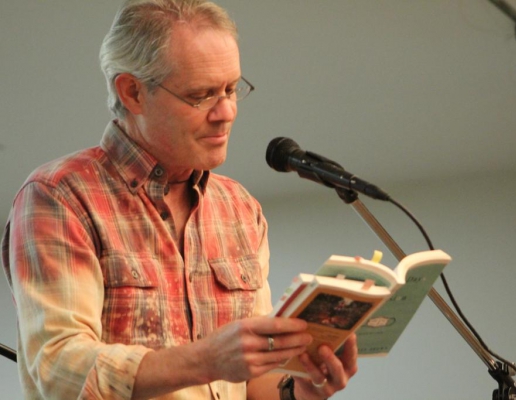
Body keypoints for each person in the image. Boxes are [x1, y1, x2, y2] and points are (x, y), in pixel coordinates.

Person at [1, 1, 358, 399]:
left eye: (231, 88)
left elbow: (253, 381)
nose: (226, 112)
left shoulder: (240, 209)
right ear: (132, 92)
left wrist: (302, 391)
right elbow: (59, 370)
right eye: (201, 95)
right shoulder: (59, 196)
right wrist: (207, 360)